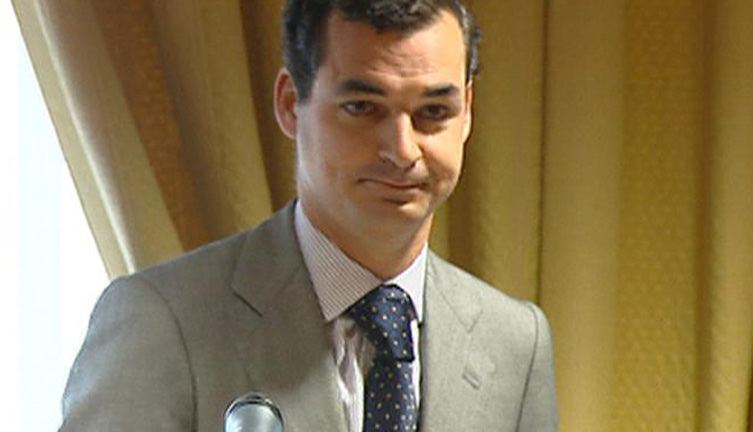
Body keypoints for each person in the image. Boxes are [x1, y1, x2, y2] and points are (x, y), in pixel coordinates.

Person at [59, 0, 558, 431]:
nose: (403, 150)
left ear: (466, 110)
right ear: (288, 103)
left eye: (433, 112)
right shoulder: (164, 321)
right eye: (362, 107)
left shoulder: (515, 341)